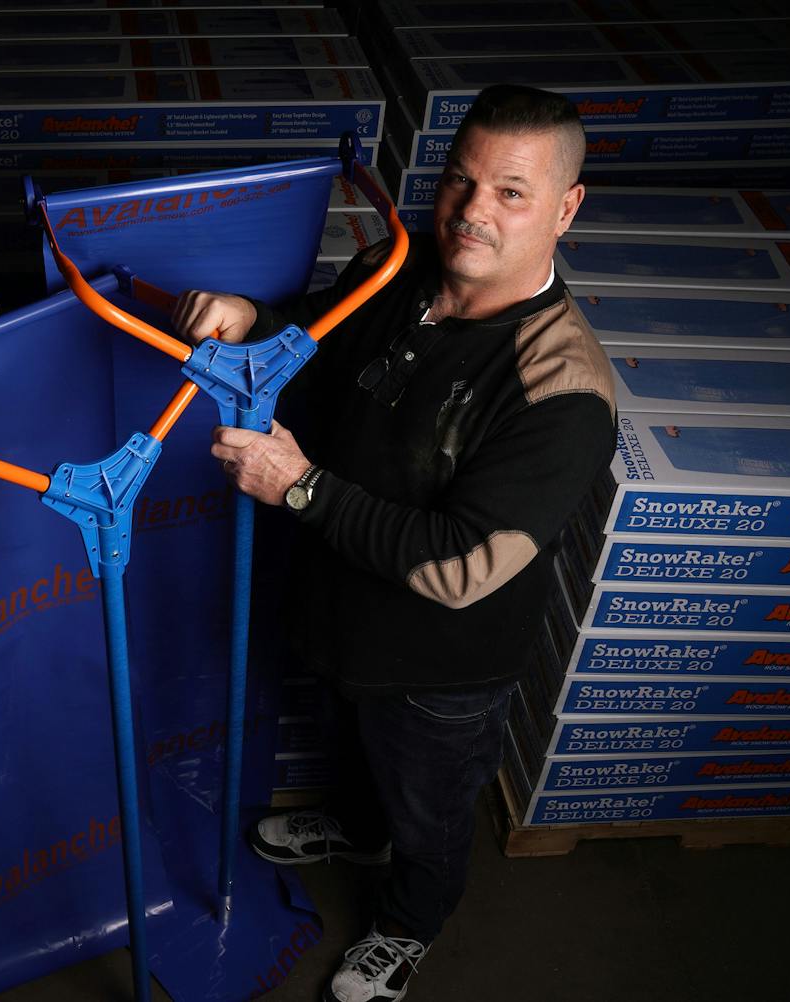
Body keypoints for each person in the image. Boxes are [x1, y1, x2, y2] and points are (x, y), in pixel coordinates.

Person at [172, 85, 616, 1001]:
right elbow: (322, 341)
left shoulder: (562, 392)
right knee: (358, 750)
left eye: (511, 193)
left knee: (430, 805)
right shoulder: (395, 263)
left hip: (441, 667)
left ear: (565, 207)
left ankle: (412, 920)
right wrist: (256, 322)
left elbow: (462, 568)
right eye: (461, 180)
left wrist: (297, 485)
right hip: (344, 610)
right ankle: (356, 827)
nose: (472, 213)